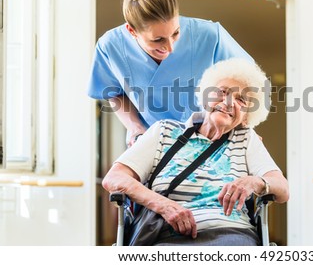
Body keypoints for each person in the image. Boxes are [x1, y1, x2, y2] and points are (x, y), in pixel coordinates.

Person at [102, 59, 289, 245]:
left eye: (241, 99)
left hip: (231, 235)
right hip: (165, 234)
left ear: (247, 116)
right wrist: (164, 205)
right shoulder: (163, 131)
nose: (229, 102)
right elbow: (114, 178)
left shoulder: (247, 139)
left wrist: (256, 182)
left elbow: (282, 188)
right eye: (222, 91)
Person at [88, 0, 253, 147]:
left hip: (211, 139)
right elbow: (114, 92)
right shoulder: (111, 46)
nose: (170, 47)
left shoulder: (209, 36)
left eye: (175, 33)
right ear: (132, 31)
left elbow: (248, 81)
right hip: (150, 141)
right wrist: (136, 128)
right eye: (158, 40)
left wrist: (243, 131)